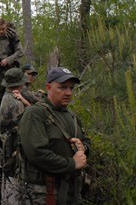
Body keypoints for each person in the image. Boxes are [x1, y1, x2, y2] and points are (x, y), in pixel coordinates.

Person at [17, 67, 91, 204]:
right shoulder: (35, 113)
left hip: (72, 191)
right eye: (62, 87)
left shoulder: (71, 116)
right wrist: (72, 163)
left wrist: (83, 148)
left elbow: (86, 140)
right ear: (49, 87)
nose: (68, 93)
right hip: (44, 193)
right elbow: (37, 153)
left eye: (71, 88)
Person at [0, 68, 30, 205]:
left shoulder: (6, 97)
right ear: (20, 83)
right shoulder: (15, 102)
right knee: (15, 189)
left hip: (6, 148)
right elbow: (23, 127)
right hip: (13, 150)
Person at [0, 18, 24, 114]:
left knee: (14, 90)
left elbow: (20, 51)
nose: (1, 31)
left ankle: (17, 112)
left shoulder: (12, 36)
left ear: (6, 27)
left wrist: (8, 60)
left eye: (3, 29)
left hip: (12, 68)